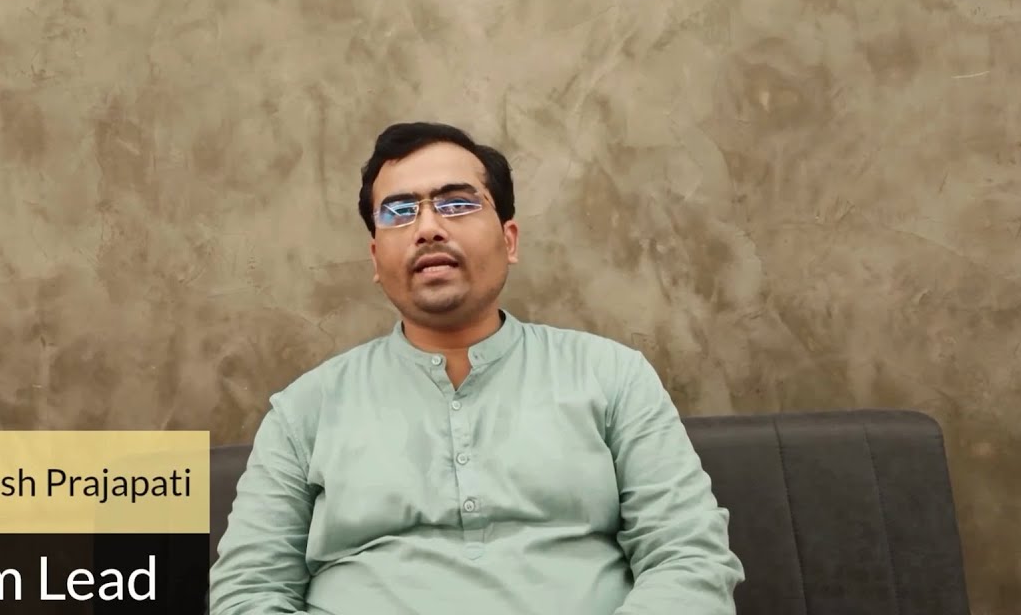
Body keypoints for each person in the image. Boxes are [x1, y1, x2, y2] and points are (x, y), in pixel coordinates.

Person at [207, 122, 745, 614]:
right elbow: (247, 592)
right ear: (375, 258)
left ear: (509, 240)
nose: (427, 228)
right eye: (399, 212)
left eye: (457, 203)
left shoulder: (611, 376)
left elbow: (688, 557)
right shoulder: (305, 410)